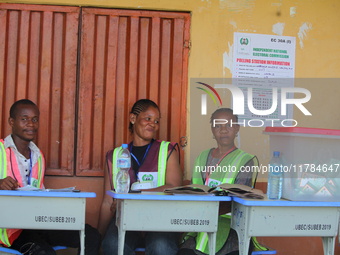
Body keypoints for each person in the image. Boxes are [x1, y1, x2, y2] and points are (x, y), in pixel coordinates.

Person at [0, 99, 101, 255]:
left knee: (91, 236)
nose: (31, 124)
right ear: (11, 122)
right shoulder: (0, 149)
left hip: (36, 221)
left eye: (35, 119)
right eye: (24, 119)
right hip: (9, 229)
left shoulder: (38, 155)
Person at [98, 99, 183, 255]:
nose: (153, 124)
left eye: (156, 121)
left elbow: (173, 187)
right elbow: (107, 201)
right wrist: (99, 237)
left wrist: (133, 196)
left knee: (161, 247)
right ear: (133, 119)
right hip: (126, 220)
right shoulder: (114, 156)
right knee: (112, 244)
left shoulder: (166, 150)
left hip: (160, 220)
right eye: (148, 118)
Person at [178, 108, 260, 255]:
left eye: (229, 125)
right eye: (217, 125)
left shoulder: (245, 160)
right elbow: (193, 191)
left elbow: (240, 201)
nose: (223, 130)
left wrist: (207, 212)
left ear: (237, 129)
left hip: (232, 229)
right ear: (212, 130)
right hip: (199, 226)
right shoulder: (202, 156)